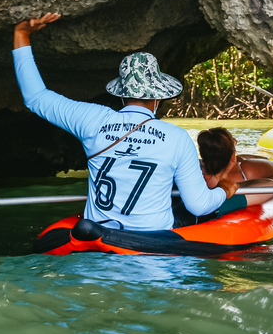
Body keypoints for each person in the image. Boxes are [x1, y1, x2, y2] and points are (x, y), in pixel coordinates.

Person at [12, 13, 237, 232]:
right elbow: (198, 205)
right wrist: (225, 189)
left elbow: (36, 97)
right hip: (152, 243)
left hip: (98, 233)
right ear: (158, 97)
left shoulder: (91, 119)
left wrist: (21, 33)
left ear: (121, 94)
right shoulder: (177, 138)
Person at [197, 127, 273, 206]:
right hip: (266, 177)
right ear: (232, 154)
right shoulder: (247, 170)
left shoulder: (195, 172)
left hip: (233, 166)